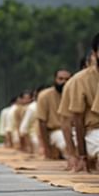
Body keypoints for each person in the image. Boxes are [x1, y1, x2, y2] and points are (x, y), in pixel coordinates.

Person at [58, 34, 99, 172]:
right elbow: (71, 120)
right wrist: (79, 155)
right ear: (94, 53)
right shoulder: (79, 80)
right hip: (93, 131)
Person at [36, 69, 71, 159]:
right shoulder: (44, 95)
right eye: (61, 79)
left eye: (67, 79)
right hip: (55, 131)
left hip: (73, 130)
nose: (64, 82)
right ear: (55, 79)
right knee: (64, 143)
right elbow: (42, 122)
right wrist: (46, 148)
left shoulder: (75, 94)